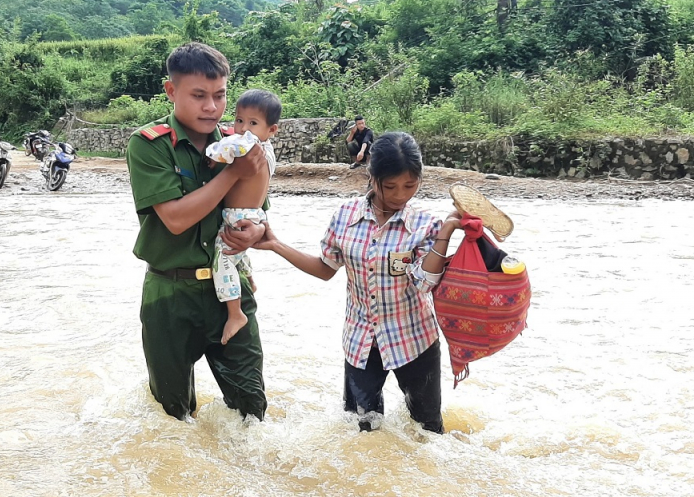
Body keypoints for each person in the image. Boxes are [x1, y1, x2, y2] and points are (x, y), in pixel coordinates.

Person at [254, 131, 462, 433]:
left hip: (415, 340)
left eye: (410, 185)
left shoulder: (425, 224)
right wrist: (276, 245)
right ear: (372, 176)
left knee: (427, 430)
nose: (400, 195)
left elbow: (425, 282)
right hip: (361, 343)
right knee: (361, 430)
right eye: (390, 186)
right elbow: (326, 269)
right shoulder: (345, 217)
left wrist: (448, 231)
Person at [125, 42, 269, 422]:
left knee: (251, 414)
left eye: (220, 96)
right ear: (171, 91)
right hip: (170, 296)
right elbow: (174, 218)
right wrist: (233, 173)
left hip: (231, 293)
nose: (212, 107)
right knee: (172, 416)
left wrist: (255, 231)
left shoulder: (238, 141)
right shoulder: (150, 145)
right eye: (199, 96)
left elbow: (257, 212)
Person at [207, 89, 280, 345]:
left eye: (253, 123)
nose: (243, 128)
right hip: (253, 214)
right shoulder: (267, 149)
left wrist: (214, 157)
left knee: (223, 259)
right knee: (239, 254)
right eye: (239, 120)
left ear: (272, 130)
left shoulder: (248, 145)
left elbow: (225, 147)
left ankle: (235, 313)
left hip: (238, 216)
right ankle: (249, 280)